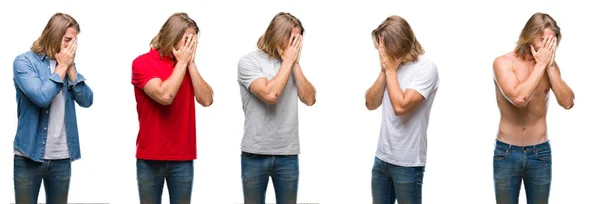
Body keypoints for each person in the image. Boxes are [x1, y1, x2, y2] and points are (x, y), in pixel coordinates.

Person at [492, 12, 574, 204]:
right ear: (529, 36)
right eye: (544, 41)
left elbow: (568, 102)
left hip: (540, 153)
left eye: (552, 42)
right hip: (507, 153)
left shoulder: (549, 66)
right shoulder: (503, 62)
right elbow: (520, 97)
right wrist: (542, 65)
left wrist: (550, 67)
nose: (548, 47)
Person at [131, 12, 213, 204]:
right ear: (172, 36)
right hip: (150, 157)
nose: (190, 45)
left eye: (193, 41)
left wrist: (190, 64)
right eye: (186, 40)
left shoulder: (185, 66)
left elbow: (207, 99)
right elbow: (165, 95)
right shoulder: (142, 63)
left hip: (183, 157)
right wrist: (183, 63)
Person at [12, 12, 94, 204]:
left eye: (74, 41)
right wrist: (62, 68)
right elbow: (41, 97)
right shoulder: (24, 62)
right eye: (67, 40)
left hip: (62, 158)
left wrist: (71, 68)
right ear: (54, 35)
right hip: (28, 156)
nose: (71, 46)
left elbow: (87, 100)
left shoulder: (67, 66)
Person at [237, 12, 316, 204]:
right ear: (277, 35)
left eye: (298, 39)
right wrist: (288, 62)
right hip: (255, 154)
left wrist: (294, 64)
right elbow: (270, 94)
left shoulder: (291, 65)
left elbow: (310, 99)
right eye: (292, 39)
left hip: (287, 154)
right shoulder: (249, 62)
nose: (295, 44)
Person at [365, 15, 440, 204]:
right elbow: (370, 103)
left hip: (408, 163)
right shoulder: (390, 68)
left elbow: (400, 106)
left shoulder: (426, 69)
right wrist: (385, 71)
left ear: (398, 43)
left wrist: (390, 70)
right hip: (382, 158)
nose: (380, 51)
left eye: (383, 45)